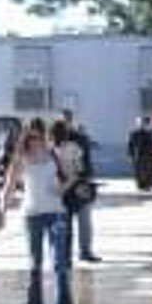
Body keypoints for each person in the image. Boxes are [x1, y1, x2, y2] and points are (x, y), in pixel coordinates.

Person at [2, 119, 73, 304]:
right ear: (25, 136)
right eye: (31, 136)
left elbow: (71, 176)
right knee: (35, 264)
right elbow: (9, 184)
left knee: (59, 263)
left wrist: (62, 188)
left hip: (56, 213)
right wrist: (2, 210)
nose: (35, 141)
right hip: (31, 216)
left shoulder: (54, 154)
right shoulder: (20, 158)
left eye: (39, 136)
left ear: (44, 135)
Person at [58, 110, 100, 263]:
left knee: (85, 221)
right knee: (65, 223)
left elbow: (87, 162)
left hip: (80, 184)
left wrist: (86, 180)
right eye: (62, 121)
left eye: (67, 120)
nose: (65, 123)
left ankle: (85, 251)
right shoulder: (53, 138)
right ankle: (65, 254)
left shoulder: (81, 138)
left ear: (71, 121)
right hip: (63, 186)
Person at [128, 115, 152, 190]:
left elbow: (151, 144)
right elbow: (130, 144)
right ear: (137, 124)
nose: (141, 125)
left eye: (142, 123)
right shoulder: (133, 133)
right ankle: (140, 184)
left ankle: (146, 185)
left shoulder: (148, 134)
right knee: (138, 170)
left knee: (146, 170)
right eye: (139, 123)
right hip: (137, 154)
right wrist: (130, 154)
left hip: (146, 154)